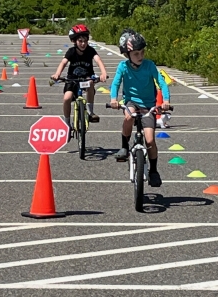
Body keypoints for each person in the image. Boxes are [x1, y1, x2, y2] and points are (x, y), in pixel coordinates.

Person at [110, 28, 170, 187]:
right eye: (136, 54)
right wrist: (113, 99)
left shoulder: (149, 66)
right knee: (128, 117)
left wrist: (166, 101)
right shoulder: (123, 67)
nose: (140, 56)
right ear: (127, 55)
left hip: (148, 106)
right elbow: (115, 83)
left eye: (142, 52)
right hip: (131, 102)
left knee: (150, 140)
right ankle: (124, 147)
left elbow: (162, 83)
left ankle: (154, 171)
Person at [51, 24, 108, 126]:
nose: (83, 43)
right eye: (80, 41)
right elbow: (63, 62)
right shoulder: (71, 52)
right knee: (67, 98)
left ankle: (90, 112)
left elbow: (98, 60)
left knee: (90, 83)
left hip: (86, 78)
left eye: (85, 41)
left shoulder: (90, 50)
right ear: (74, 41)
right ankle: (67, 123)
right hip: (72, 79)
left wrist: (103, 73)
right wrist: (57, 74)